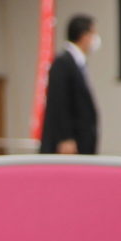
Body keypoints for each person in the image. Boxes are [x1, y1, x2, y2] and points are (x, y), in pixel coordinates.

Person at [39, 12, 101, 154]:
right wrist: (66, 137)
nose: (95, 39)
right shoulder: (63, 62)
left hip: (82, 140)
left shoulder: (78, 63)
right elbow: (59, 101)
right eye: (93, 33)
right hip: (69, 143)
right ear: (84, 35)